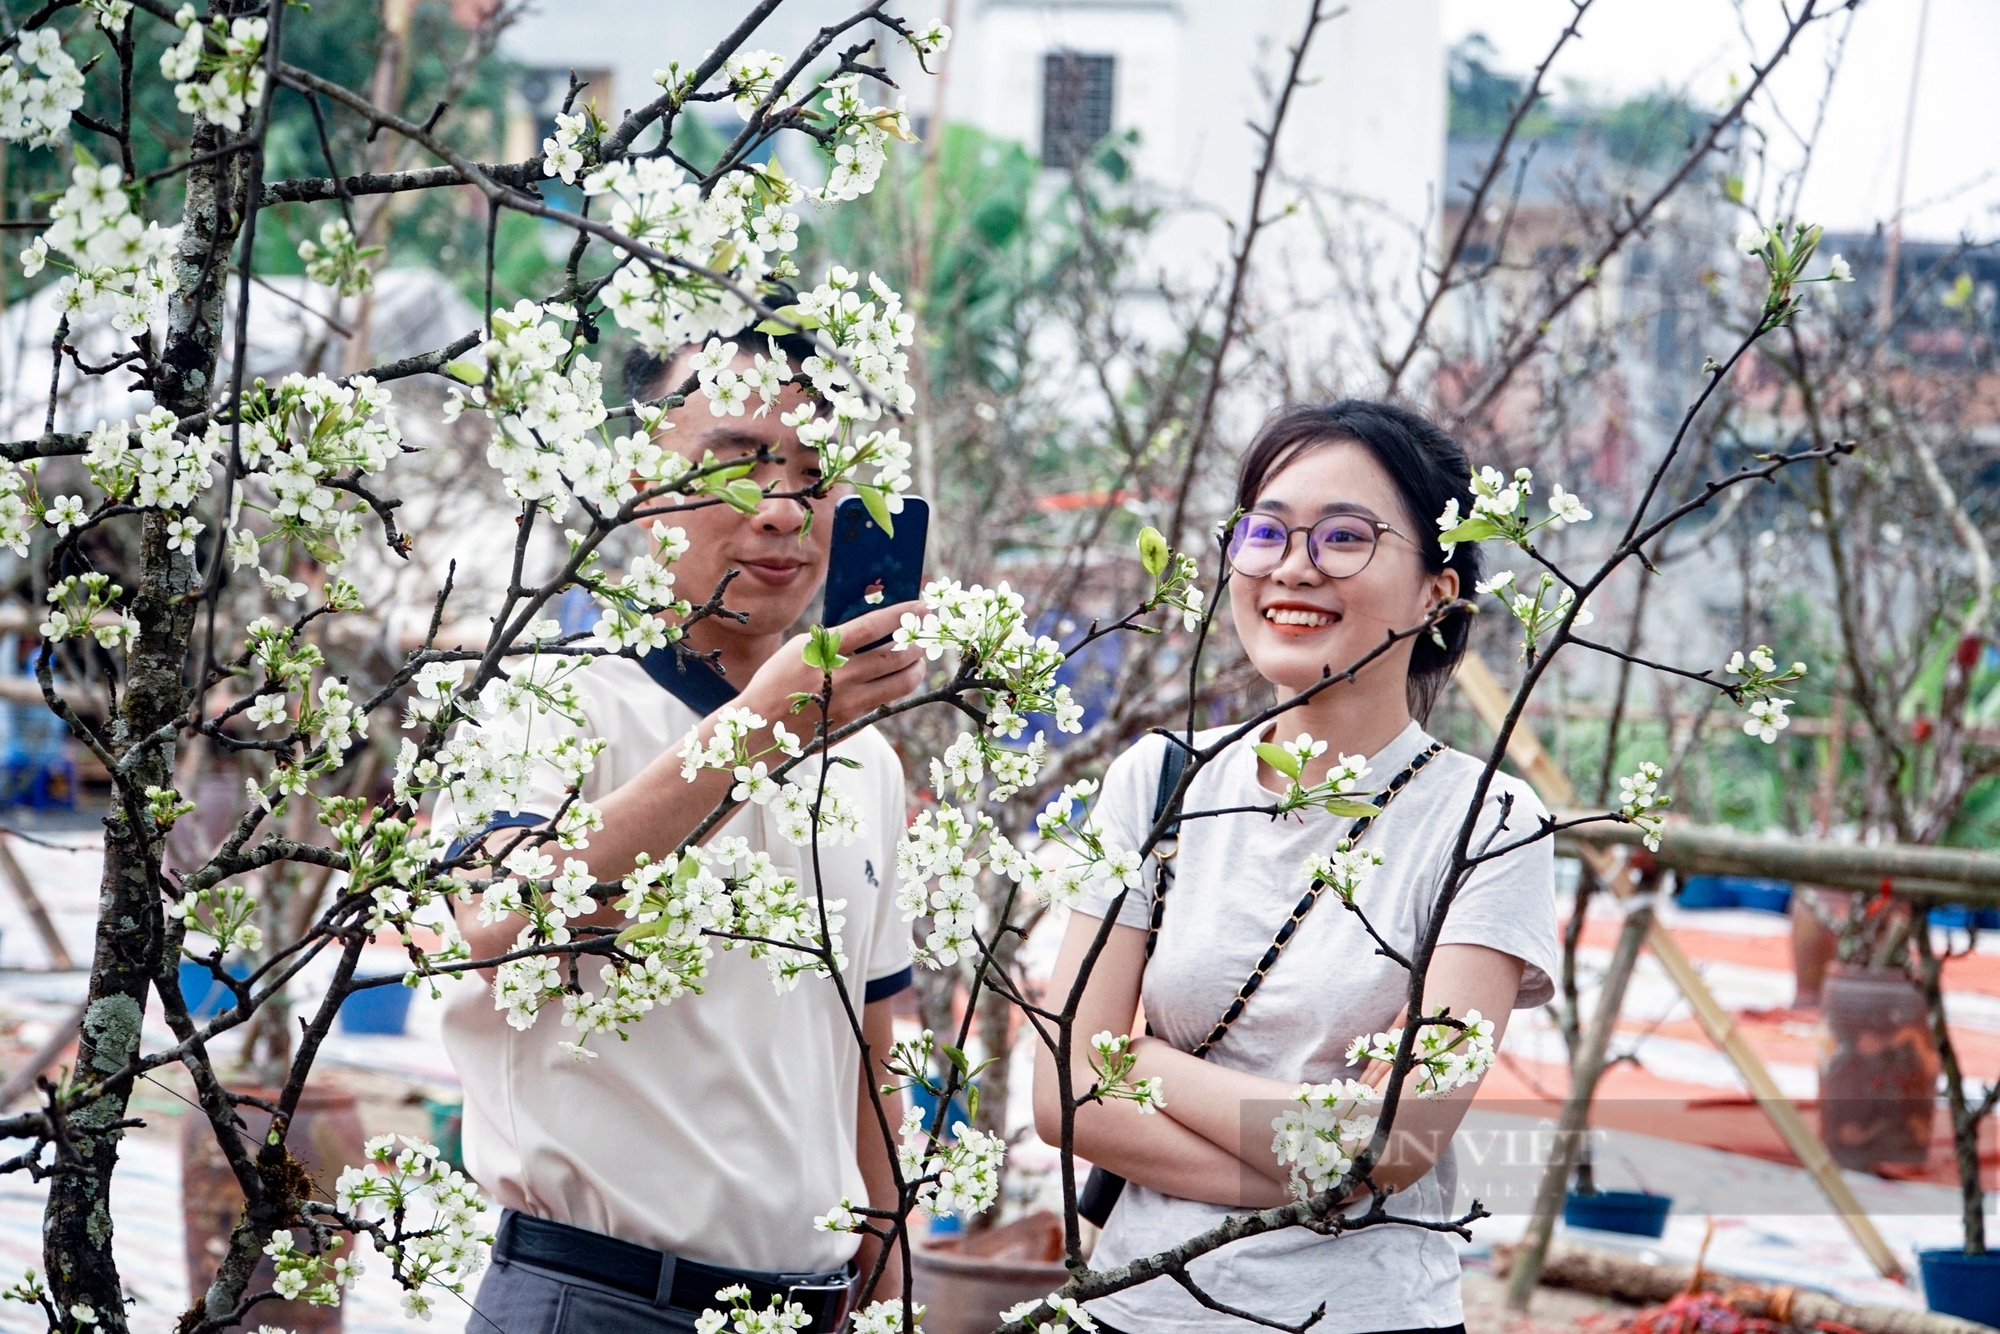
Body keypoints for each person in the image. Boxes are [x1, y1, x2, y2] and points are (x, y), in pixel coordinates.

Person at [1033, 401, 1559, 1334]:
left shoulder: (1490, 821)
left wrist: (1137, 1059)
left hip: (1363, 1317)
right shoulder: (1159, 780)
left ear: (1438, 590)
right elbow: (1061, 1097)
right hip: (1138, 1310)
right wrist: (1317, 1171)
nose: (1292, 566)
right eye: (1266, 530)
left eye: (1345, 537)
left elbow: (1399, 1139)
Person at [437, 331, 926, 1334]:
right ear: (640, 475)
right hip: (596, 1298)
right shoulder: (545, 692)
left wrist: (889, 1265)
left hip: (812, 1307)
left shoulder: (866, 757)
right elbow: (493, 922)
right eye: (739, 463)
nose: (783, 508)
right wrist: (765, 727)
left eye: (815, 474)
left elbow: (871, 1040)